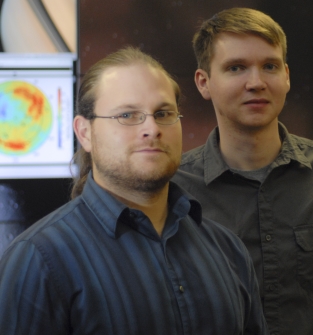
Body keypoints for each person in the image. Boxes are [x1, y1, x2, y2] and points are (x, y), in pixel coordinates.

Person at [0, 47, 268, 335]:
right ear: (85, 133)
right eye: (127, 115)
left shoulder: (226, 248)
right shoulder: (38, 259)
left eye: (164, 113)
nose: (151, 128)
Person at [172, 8, 313, 335]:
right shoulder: (173, 188)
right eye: (236, 68)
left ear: (286, 76)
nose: (256, 82)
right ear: (204, 82)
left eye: (269, 66)